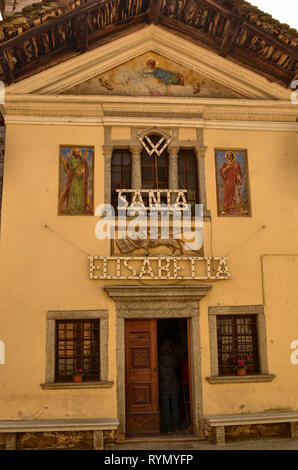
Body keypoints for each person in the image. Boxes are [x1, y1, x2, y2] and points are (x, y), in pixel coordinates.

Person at [60, 146, 91, 215]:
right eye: (75, 152)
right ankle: (71, 208)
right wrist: (67, 159)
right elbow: (67, 168)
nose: (76, 153)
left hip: (80, 181)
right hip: (73, 179)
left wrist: (82, 171)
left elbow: (87, 167)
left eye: (78, 152)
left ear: (79, 152)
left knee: (79, 194)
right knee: (72, 193)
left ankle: (80, 208)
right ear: (73, 153)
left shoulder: (82, 160)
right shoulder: (71, 160)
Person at [159, 339, 181, 434]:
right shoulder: (174, 359)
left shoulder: (159, 359)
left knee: (166, 408)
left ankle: (168, 429)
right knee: (175, 407)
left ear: (162, 348)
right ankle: (177, 428)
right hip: (174, 385)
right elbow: (178, 369)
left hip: (164, 386)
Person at [220, 151, 244, 215]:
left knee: (236, 194)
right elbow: (222, 172)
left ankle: (236, 209)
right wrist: (226, 168)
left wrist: (239, 179)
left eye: (230, 155)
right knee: (227, 195)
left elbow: (238, 173)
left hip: (234, 181)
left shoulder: (236, 163)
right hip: (227, 181)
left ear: (232, 156)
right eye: (228, 155)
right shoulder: (225, 164)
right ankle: (226, 209)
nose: (229, 156)